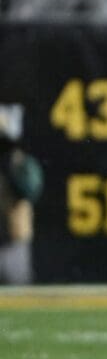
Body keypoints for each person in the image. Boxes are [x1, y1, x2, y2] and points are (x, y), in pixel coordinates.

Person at [0, 122, 43, 285]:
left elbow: (32, 189)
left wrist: (14, 169)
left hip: (13, 245)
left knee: (16, 302)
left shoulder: (18, 163)